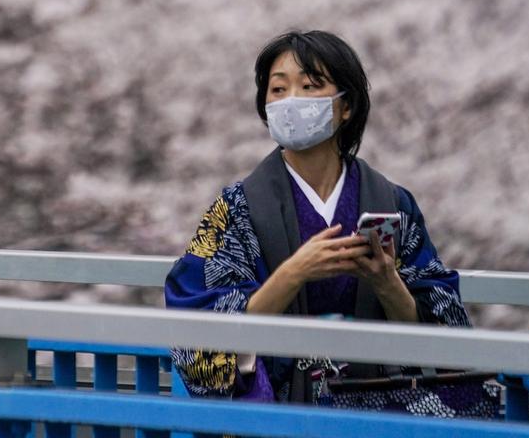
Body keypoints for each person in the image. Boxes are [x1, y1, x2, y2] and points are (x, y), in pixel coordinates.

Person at [164, 30, 497, 417]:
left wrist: (386, 282)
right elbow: (196, 329)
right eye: (278, 89)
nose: (291, 101)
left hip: (383, 405)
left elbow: (445, 328)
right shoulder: (236, 209)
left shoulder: (392, 203)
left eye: (309, 86)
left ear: (346, 106)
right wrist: (294, 273)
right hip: (283, 413)